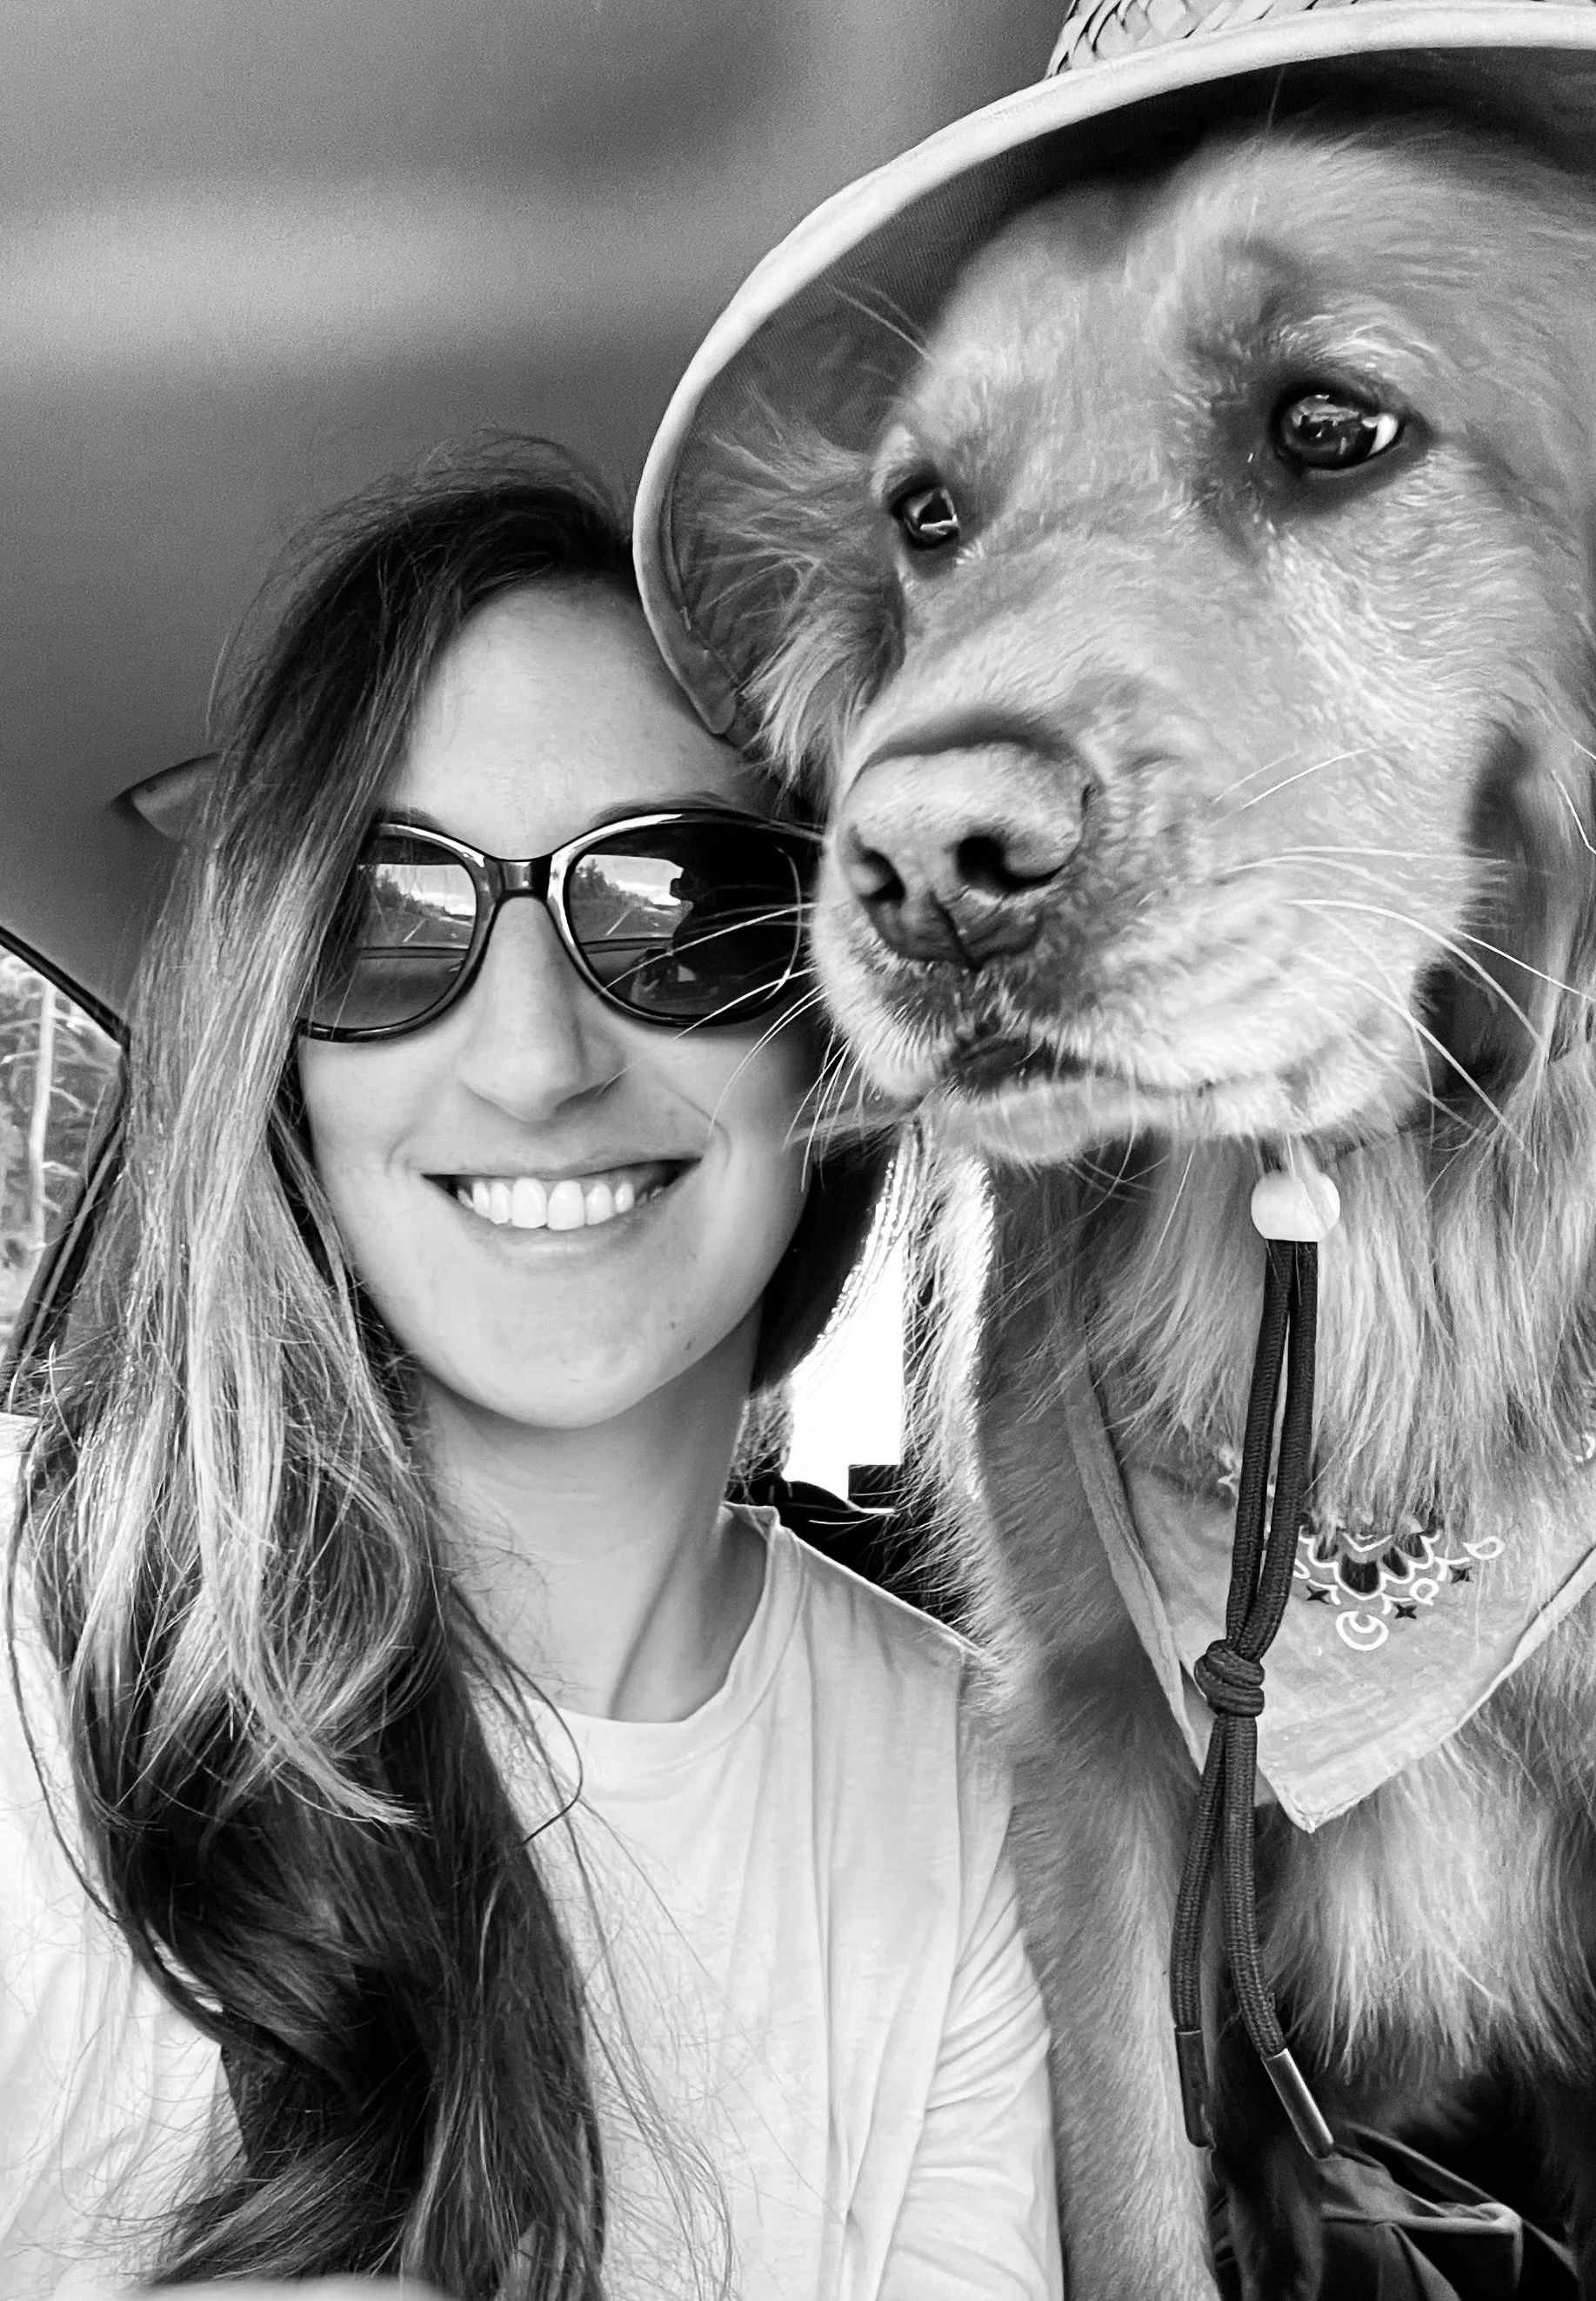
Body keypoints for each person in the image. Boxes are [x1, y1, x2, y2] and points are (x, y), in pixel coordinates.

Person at [0, 441, 1060, 2301]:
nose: (537, 1059)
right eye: (385, 918)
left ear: (835, 1010)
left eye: (680, 905)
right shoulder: (25, 1618)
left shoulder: (976, 1801)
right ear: (279, 1042)